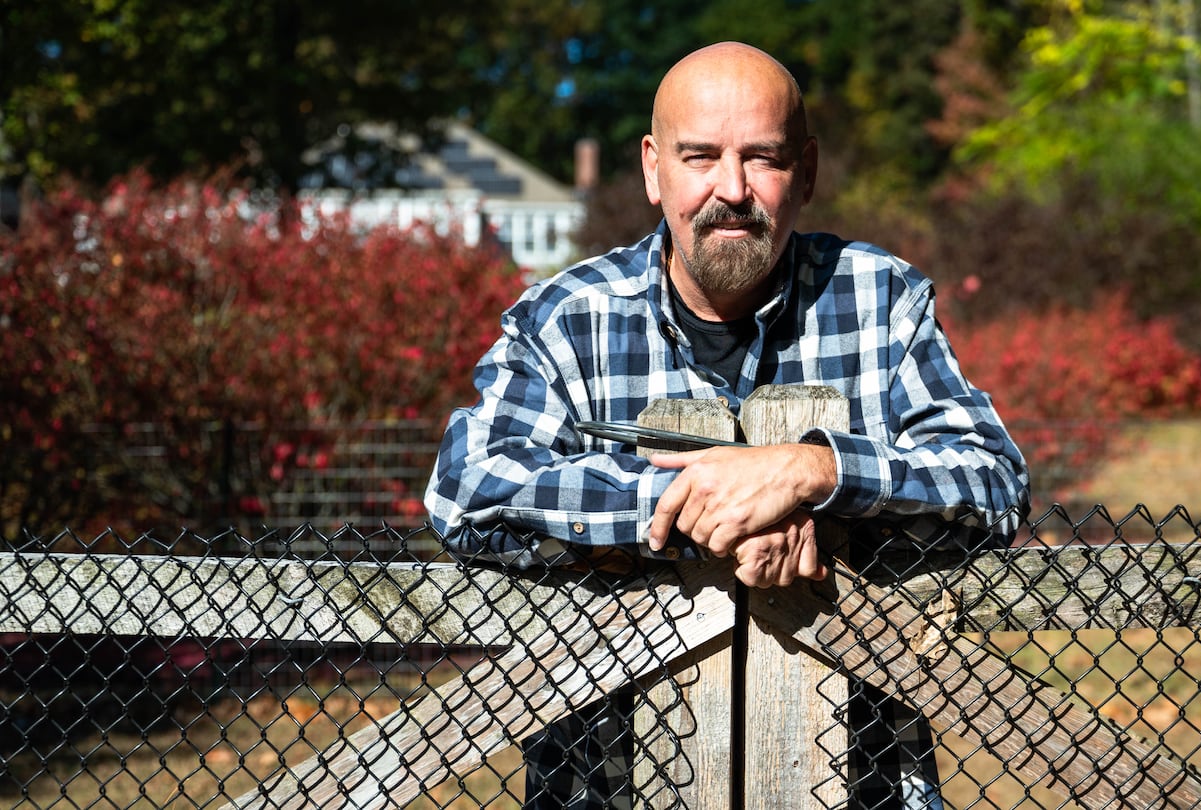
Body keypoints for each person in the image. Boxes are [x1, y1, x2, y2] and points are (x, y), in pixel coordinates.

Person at [426, 41, 1029, 810]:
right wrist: (694, 508)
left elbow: (993, 478)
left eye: (763, 158)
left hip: (857, 783)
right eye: (700, 156)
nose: (732, 189)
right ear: (653, 168)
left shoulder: (880, 301)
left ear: (806, 172)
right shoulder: (566, 319)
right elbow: (466, 486)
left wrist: (813, 474)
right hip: (606, 787)